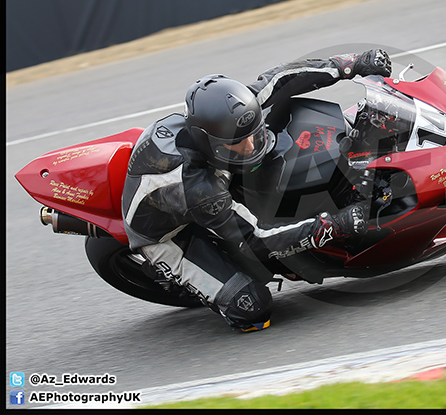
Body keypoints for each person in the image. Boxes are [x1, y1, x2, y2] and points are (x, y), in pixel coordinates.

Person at [121, 49, 392, 331]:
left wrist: (351, 64)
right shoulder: (200, 189)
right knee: (253, 309)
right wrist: (334, 225)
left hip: (202, 183)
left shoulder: (230, 118)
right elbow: (257, 239)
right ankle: (214, 285)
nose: (250, 146)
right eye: (238, 143)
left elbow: (282, 78)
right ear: (208, 141)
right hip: (167, 235)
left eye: (252, 134)